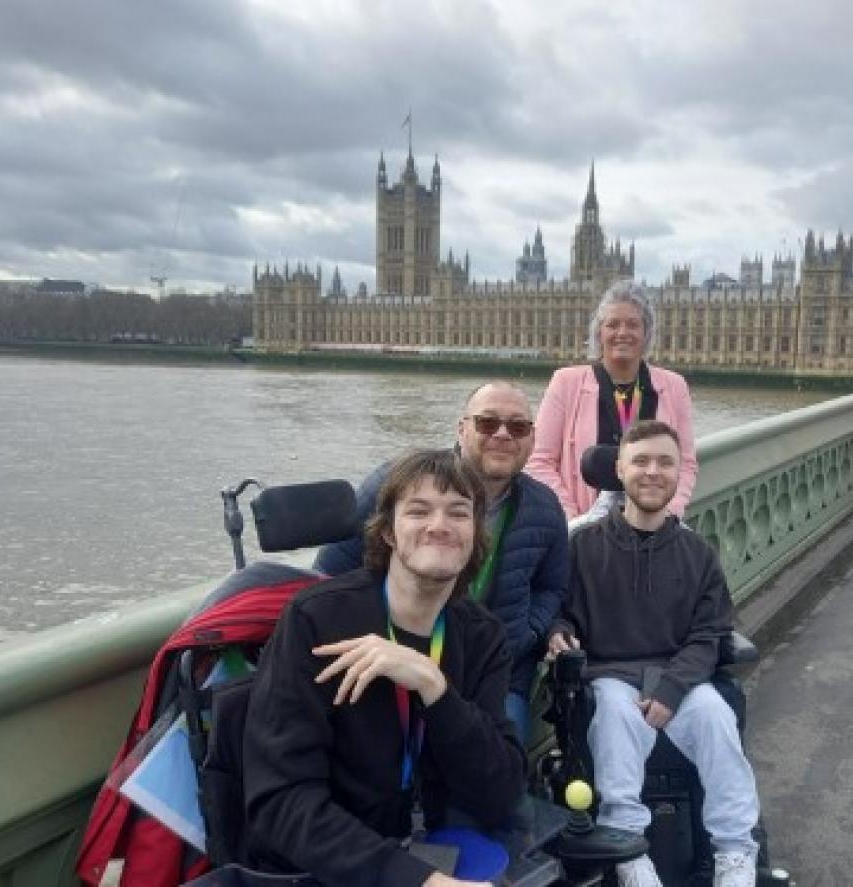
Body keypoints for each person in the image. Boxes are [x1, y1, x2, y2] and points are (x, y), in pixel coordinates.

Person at [243, 450, 525, 887]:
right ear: (389, 532)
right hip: (325, 864)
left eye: (459, 512)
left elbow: (501, 794)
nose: (439, 525)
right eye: (418, 511)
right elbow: (281, 802)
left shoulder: (481, 635)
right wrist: (418, 881)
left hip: (430, 845)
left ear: (475, 534)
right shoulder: (318, 620)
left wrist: (436, 689)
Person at [547, 420, 760, 887]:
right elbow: (559, 609)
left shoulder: (697, 553)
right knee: (615, 716)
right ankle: (629, 846)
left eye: (665, 462)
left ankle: (735, 850)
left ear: (679, 471)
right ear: (619, 471)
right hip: (609, 674)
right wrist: (559, 630)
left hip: (677, 675)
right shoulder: (583, 547)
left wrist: (671, 688)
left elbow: (709, 635)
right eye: (640, 461)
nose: (652, 472)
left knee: (716, 719)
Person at [315, 381, 568, 743]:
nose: (502, 435)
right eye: (487, 423)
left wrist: (528, 632)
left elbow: (552, 585)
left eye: (517, 426)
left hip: (495, 672)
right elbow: (332, 572)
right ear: (461, 428)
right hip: (394, 659)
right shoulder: (395, 483)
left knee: (494, 779)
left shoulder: (545, 508)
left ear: (531, 438)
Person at [526, 280, 698, 521]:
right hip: (584, 526)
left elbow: (686, 463)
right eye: (613, 325)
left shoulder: (674, 387)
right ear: (600, 332)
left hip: (652, 527)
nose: (622, 333)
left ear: (646, 332)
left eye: (633, 325)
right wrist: (572, 519)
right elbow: (539, 461)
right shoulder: (566, 382)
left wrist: (668, 514)